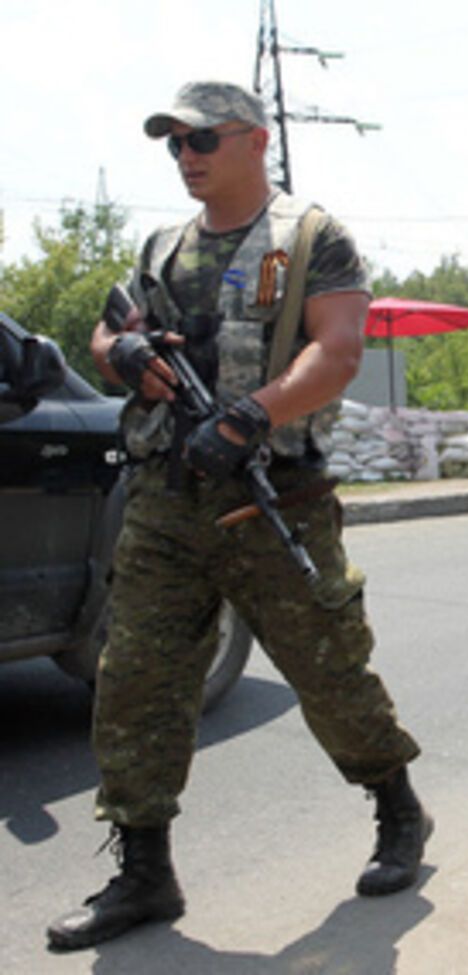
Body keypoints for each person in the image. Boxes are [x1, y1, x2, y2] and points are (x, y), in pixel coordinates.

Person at [47, 81, 430, 952]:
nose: (186, 157)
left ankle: (397, 809)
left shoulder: (307, 239)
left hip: (272, 498)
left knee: (329, 669)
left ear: (255, 141)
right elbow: (107, 335)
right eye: (174, 144)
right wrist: (126, 353)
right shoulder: (163, 245)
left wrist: (254, 413)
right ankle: (144, 870)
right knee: (136, 679)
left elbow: (337, 351)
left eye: (202, 140)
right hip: (163, 500)